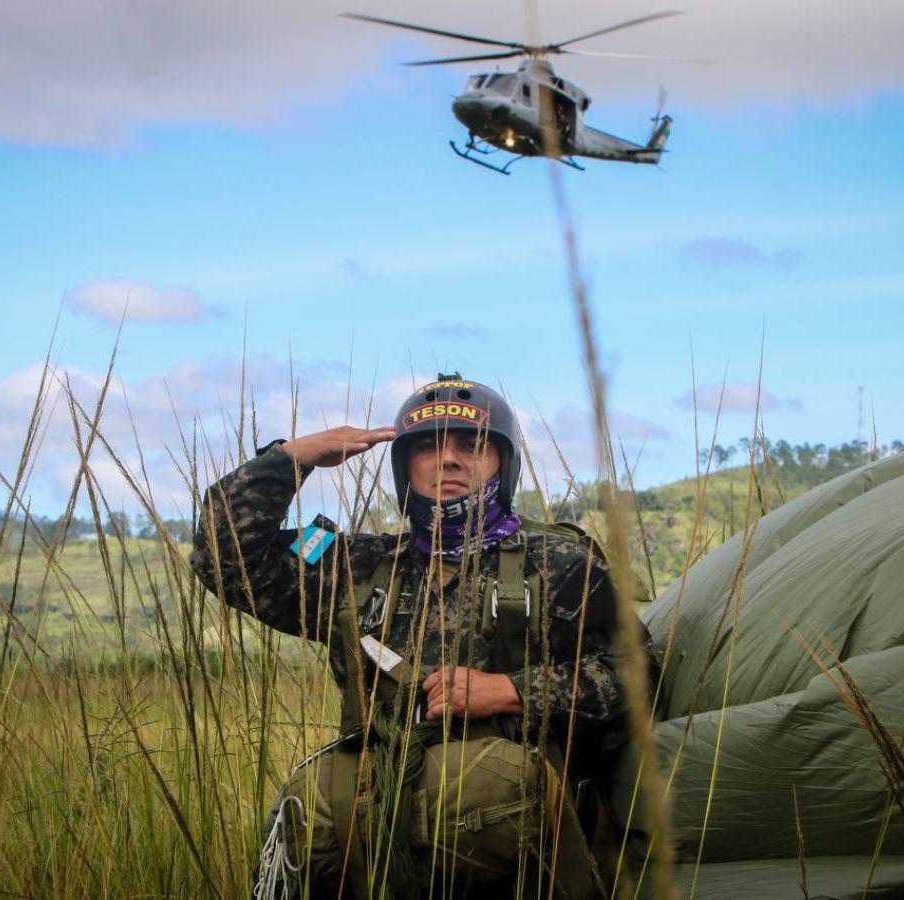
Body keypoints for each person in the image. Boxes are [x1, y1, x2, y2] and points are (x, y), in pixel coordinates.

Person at [190, 374, 645, 898]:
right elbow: (223, 559)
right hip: (377, 852)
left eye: (471, 445)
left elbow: (637, 675)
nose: (448, 460)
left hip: (522, 861)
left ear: (504, 462)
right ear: (404, 466)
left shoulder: (560, 565)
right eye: (427, 447)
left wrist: (512, 691)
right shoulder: (357, 567)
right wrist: (291, 458)